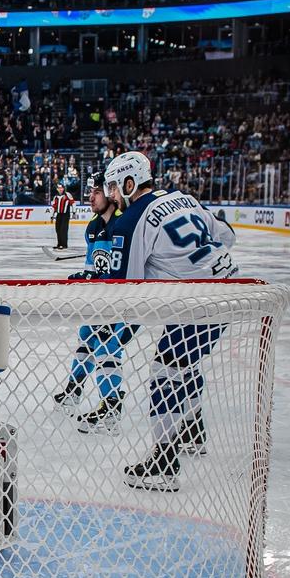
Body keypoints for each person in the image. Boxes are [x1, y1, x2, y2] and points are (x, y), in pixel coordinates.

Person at [103, 151, 238, 491]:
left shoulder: (130, 220)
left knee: (166, 368)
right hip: (228, 289)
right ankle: (192, 430)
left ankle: (164, 461)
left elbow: (126, 287)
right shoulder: (186, 198)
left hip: (196, 303)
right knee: (186, 363)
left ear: (129, 182)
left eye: (115, 188)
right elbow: (228, 236)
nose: (112, 196)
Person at [52, 171, 134, 433]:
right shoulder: (93, 227)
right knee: (86, 337)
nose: (91, 197)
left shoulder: (124, 223)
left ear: (111, 193)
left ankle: (111, 409)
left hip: (122, 300)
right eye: (90, 192)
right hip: (101, 298)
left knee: (108, 349)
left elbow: (125, 270)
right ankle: (74, 390)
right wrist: (86, 277)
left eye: (96, 192)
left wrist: (99, 278)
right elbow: (93, 266)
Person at [50, 182, 74, 250]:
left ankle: (64, 244)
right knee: (58, 229)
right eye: (59, 188)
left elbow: (73, 203)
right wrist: (52, 216)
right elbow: (54, 207)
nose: (60, 189)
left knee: (63, 229)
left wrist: (74, 212)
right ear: (57, 189)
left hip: (65, 215)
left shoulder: (68, 195)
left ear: (63, 188)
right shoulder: (56, 197)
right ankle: (59, 244)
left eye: (61, 188)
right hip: (59, 214)